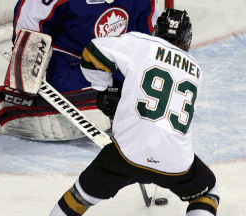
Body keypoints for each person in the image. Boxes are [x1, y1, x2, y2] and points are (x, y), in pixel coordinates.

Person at [49, 8, 220, 216]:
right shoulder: (196, 71)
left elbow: (92, 52)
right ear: (187, 38)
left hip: (126, 155)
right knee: (208, 192)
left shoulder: (141, 43)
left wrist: (105, 88)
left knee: (80, 196)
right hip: (175, 161)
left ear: (157, 30)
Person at [0, 0, 160, 142]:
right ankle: (6, 112)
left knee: (146, 108)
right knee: (59, 125)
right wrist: (29, 63)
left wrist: (123, 80)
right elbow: (30, 19)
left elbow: (147, 37)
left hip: (118, 64)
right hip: (72, 62)